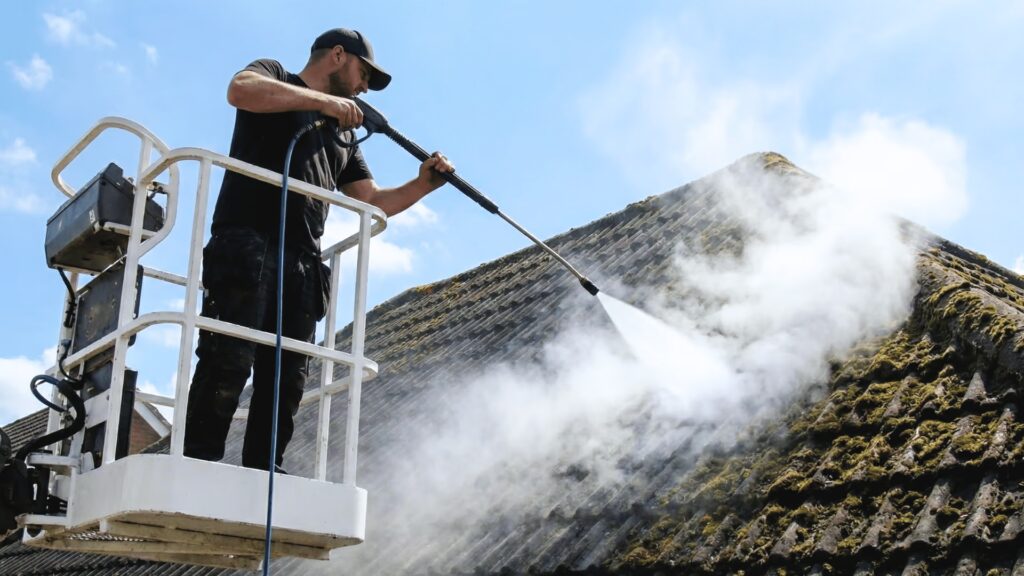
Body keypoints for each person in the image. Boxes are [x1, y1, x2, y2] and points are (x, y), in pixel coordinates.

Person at [184, 28, 454, 471]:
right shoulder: (276, 75)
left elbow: (371, 200)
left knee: (288, 377)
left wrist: (423, 184)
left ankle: (264, 471)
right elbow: (240, 90)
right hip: (246, 244)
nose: (364, 87)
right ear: (338, 55)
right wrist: (322, 103)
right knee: (227, 359)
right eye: (364, 74)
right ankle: (197, 465)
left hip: (303, 263)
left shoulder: (341, 136)